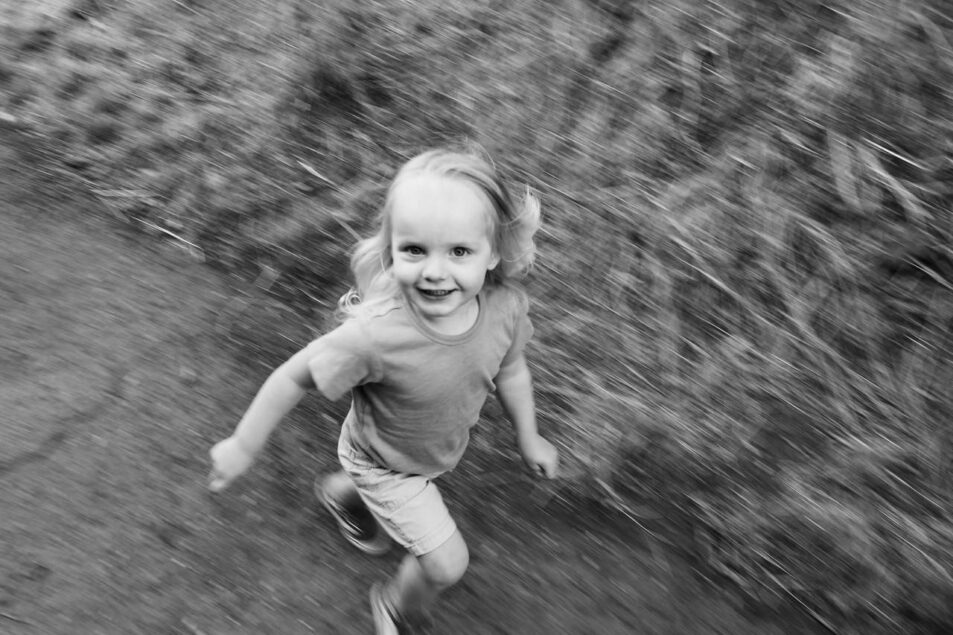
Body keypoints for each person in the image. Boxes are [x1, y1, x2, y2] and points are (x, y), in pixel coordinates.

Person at [208, 145, 559, 634]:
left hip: (416, 449)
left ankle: (341, 494)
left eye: (459, 251)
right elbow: (293, 375)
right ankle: (397, 606)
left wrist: (530, 437)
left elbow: (512, 369)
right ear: (392, 249)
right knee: (446, 563)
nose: (436, 271)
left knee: (373, 478)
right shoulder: (374, 335)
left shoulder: (504, 308)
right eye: (415, 250)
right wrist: (244, 444)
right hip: (384, 464)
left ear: (494, 251)